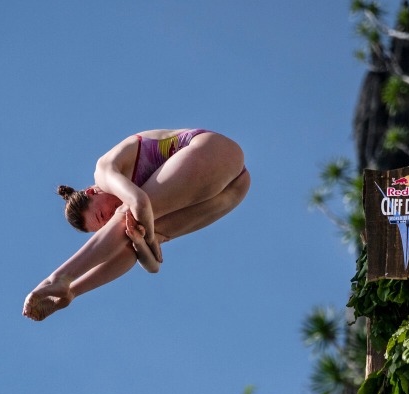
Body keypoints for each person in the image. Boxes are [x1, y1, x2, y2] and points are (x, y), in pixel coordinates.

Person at [23, 128, 250, 321]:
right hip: (236, 189)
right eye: (104, 228)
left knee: (129, 218)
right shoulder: (150, 207)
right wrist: (143, 241)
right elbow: (153, 265)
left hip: (213, 150)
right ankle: (72, 292)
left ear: (92, 192)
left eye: (102, 214)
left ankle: (59, 278)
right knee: (130, 240)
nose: (110, 217)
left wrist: (147, 238)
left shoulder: (103, 171)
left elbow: (138, 201)